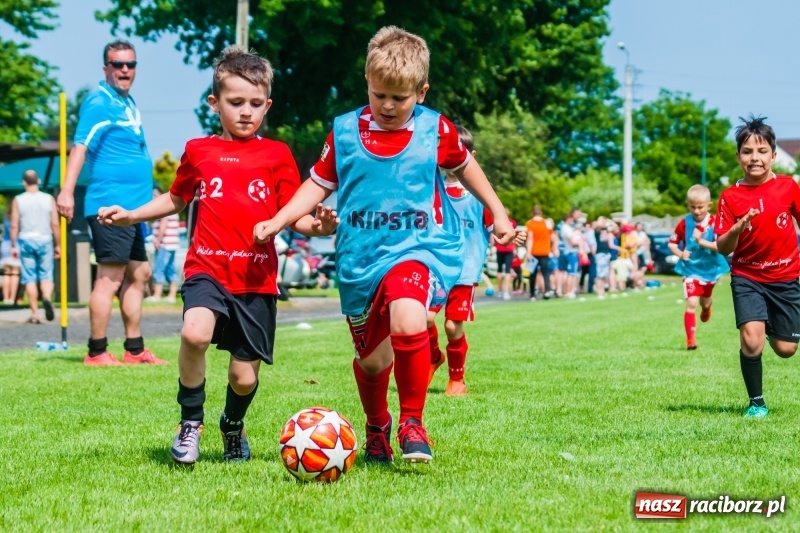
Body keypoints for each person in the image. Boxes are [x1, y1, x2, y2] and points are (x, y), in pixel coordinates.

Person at [252, 26, 517, 464]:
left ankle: (413, 422)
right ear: (367, 85)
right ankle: (378, 427)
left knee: (410, 317)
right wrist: (279, 220)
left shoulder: (437, 130)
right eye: (379, 95)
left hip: (419, 248)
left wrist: (500, 211)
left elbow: (468, 168)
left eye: (401, 97)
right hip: (360, 258)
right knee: (373, 362)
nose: (389, 106)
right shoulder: (344, 132)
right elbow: (316, 184)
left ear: (422, 90)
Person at [98, 46, 338, 464]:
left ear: (268, 105)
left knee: (243, 379)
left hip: (255, 280)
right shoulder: (198, 151)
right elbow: (176, 199)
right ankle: (190, 422)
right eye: (235, 102)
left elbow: (293, 216)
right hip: (206, 269)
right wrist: (131, 215)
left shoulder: (277, 155)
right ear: (215, 103)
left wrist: (320, 226)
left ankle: (232, 424)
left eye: (255, 104)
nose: (246, 112)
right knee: (194, 333)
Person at [56, 39, 165, 366]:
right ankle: (97, 350)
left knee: (140, 273)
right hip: (109, 206)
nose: (124, 70)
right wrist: (65, 191)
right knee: (110, 278)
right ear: (106, 68)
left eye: (130, 64)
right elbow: (80, 147)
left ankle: (134, 350)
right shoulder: (99, 101)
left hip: (133, 210)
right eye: (117, 64)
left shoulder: (127, 102)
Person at [715, 116, 800, 419]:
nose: (755, 158)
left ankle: (770, 325)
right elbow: (723, 246)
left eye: (761, 151)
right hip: (747, 277)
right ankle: (757, 403)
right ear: (738, 157)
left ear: (773, 156)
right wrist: (737, 228)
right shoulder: (729, 197)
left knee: (786, 349)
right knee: (751, 340)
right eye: (747, 151)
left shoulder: (789, 187)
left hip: (786, 277)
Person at [427, 125, 494, 397]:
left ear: (471, 155)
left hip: (465, 271)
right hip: (435, 267)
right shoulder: (432, 188)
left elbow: (494, 227)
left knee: (452, 325)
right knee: (422, 319)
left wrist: (508, 236)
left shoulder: (479, 195)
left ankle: (457, 380)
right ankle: (433, 357)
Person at [668, 184, 730, 350]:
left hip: (710, 269)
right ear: (687, 205)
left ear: (709, 205)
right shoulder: (684, 224)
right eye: (692, 207)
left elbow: (721, 246)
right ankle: (691, 340)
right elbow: (672, 243)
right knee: (692, 303)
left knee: (705, 301)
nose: (696, 211)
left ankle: (707, 307)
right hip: (690, 270)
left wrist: (701, 241)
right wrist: (680, 254)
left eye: (700, 207)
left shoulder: (716, 222)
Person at [9, 170, 60, 323]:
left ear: (24, 182)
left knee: (29, 277)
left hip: (25, 239)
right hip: (45, 239)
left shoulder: (18, 200)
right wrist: (58, 244)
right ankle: (46, 296)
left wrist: (13, 245)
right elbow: (55, 223)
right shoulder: (48, 198)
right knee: (46, 275)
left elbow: (14, 225)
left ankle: (35, 314)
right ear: (38, 181)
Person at [147, 187, 181, 303]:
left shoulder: (164, 208)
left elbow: (163, 224)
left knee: (159, 268)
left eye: (155, 195)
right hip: (172, 244)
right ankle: (171, 295)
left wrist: (158, 240)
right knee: (170, 269)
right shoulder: (172, 207)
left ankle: (157, 295)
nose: (153, 197)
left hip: (164, 244)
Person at [525, 205, 555, 300]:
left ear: (532, 213)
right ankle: (547, 291)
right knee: (545, 273)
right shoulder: (547, 223)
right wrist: (552, 248)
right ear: (541, 213)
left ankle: (532, 294)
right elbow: (552, 237)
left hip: (534, 251)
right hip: (545, 251)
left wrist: (528, 252)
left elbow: (530, 238)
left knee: (532, 273)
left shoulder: (529, 223)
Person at [1, 201, 21, 305]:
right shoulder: (18, 218)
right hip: (15, 245)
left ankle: (5, 298)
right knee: (15, 273)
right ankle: (12, 298)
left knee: (6, 273)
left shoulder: (5, 217)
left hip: (4, 246)